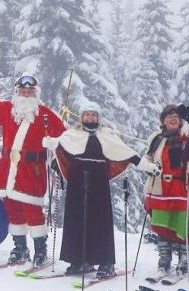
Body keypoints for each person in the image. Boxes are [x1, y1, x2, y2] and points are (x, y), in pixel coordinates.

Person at [0, 61, 65, 268]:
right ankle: (20, 248)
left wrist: (55, 148)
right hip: (8, 168)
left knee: (33, 211)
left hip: (33, 170)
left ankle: (41, 251)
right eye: (23, 90)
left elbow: (65, 140)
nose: (26, 93)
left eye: (30, 90)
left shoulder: (47, 115)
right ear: (17, 91)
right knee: (12, 209)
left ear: (36, 93)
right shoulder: (7, 109)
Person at [47, 102, 144, 278]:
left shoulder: (107, 135)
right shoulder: (72, 134)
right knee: (76, 220)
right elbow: (62, 151)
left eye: (94, 115)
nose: (90, 118)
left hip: (98, 180)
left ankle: (106, 262)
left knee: (100, 221)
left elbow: (124, 152)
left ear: (98, 118)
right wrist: (53, 147)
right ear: (82, 117)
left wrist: (143, 164)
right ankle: (78, 260)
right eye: (87, 114)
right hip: (77, 179)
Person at [142, 105, 189, 278]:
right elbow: (147, 158)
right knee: (163, 226)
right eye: (169, 116)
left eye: (176, 117)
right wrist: (148, 166)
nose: (172, 119)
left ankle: (183, 261)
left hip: (183, 188)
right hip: (160, 188)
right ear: (163, 120)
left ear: (180, 121)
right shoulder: (156, 139)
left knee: (183, 225)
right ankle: (164, 261)